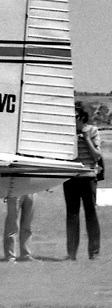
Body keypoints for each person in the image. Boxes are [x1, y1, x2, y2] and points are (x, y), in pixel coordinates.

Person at [63, 107, 102, 260]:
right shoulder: (67, 133)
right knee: (72, 215)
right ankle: (71, 253)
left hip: (88, 178)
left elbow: (97, 156)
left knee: (91, 215)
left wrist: (86, 139)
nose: (73, 119)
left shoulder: (92, 131)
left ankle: (94, 253)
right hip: (71, 178)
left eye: (75, 116)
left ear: (82, 117)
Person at [3, 194, 35, 262]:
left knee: (27, 225)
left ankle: (26, 255)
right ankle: (10, 256)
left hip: (31, 191)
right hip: (16, 191)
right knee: (12, 224)